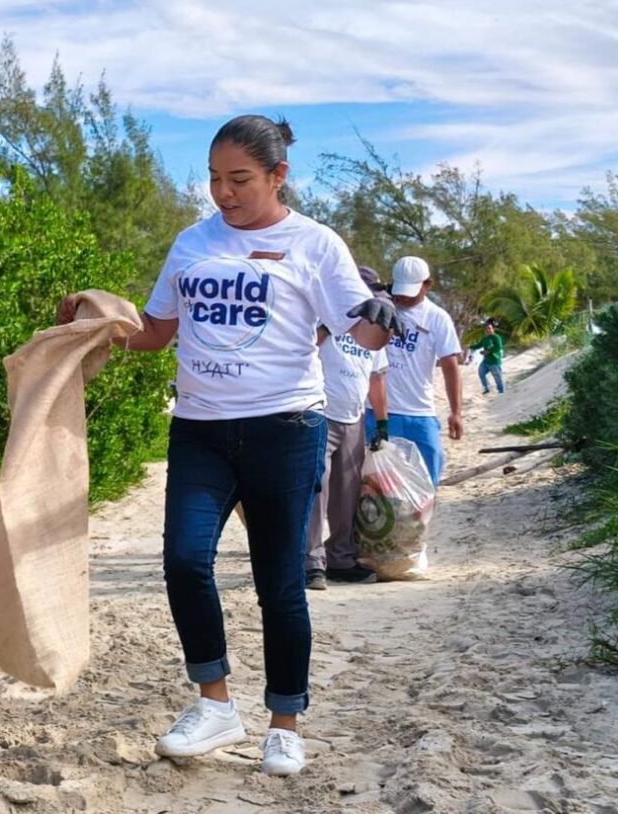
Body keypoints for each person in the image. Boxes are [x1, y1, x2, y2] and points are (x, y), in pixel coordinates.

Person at [58, 115, 401, 776]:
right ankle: (215, 704)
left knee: (281, 583)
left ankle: (285, 724)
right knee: (185, 560)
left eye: (239, 179)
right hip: (200, 430)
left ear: (278, 175)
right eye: (214, 178)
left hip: (286, 429)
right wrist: (94, 321)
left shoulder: (316, 244)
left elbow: (360, 330)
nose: (223, 193)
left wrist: (382, 320)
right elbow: (155, 332)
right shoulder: (193, 242)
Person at [305, 267, 390, 591]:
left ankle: (341, 557)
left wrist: (382, 422)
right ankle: (312, 562)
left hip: (354, 418)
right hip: (320, 414)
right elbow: (303, 348)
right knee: (317, 491)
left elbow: (376, 378)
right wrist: (328, 326)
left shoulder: (373, 331)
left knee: (347, 493)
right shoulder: (321, 318)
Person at [367, 256, 462, 487]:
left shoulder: (437, 318)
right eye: (400, 291)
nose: (404, 297)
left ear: (427, 284)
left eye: (410, 291)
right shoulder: (381, 309)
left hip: (419, 412)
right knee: (376, 485)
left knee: (428, 478)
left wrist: (456, 412)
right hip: (376, 412)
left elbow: (450, 366)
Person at [469, 318, 506, 394]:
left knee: (497, 376)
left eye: (489, 328)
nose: (488, 330)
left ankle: (501, 390)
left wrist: (488, 351)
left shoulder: (496, 337)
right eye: (486, 329)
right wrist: (470, 347)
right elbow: (478, 345)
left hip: (494, 361)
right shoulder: (485, 338)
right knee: (481, 373)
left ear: (493, 329)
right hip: (486, 361)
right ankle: (487, 388)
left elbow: (498, 347)